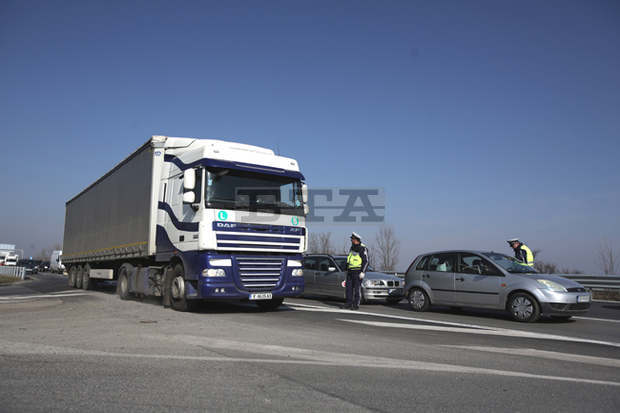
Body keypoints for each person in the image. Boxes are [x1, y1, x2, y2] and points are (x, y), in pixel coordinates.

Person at [343, 232, 369, 310]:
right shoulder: (352, 247)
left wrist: (363, 272)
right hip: (350, 271)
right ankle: (348, 303)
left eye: (352, 239)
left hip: (357, 271)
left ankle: (356, 305)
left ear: (356, 240)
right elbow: (349, 258)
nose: (351, 240)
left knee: (357, 289)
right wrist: (346, 268)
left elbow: (366, 261)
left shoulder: (362, 248)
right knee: (348, 289)